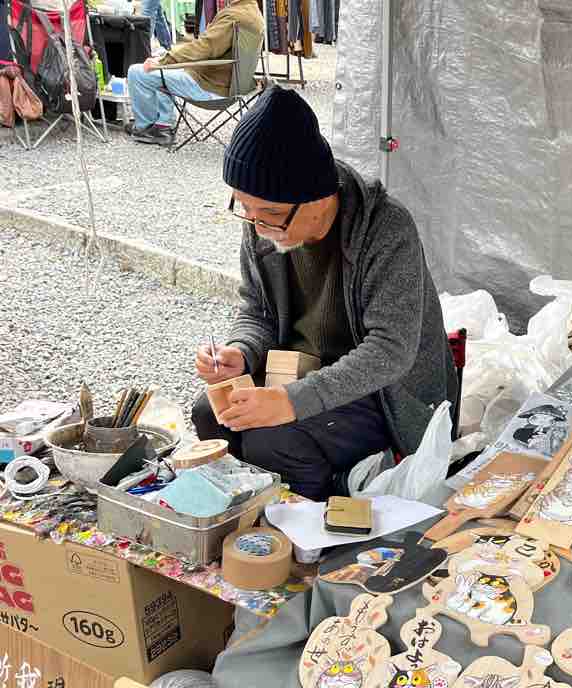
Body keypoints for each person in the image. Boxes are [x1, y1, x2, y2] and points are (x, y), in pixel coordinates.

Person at [193, 87, 459, 501]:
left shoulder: (387, 230)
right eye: (245, 208)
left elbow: (390, 351)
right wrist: (241, 352)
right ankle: (246, 509)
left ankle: (310, 525)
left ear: (318, 198)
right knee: (211, 412)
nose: (257, 226)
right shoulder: (263, 220)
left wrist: (290, 401)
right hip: (300, 370)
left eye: (270, 214)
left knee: (272, 439)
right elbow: (257, 309)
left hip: (382, 392)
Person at [125, 0, 262, 146]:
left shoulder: (234, 15)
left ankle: (145, 127)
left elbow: (205, 47)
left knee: (137, 72)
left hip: (211, 87)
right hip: (232, 85)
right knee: (164, 67)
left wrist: (165, 61)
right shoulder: (254, 14)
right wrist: (168, 60)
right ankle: (163, 125)